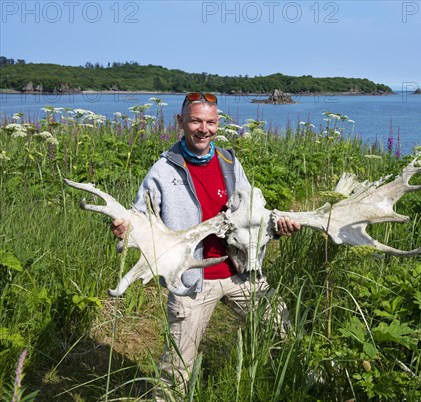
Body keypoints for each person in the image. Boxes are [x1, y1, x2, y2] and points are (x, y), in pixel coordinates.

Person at [111, 92, 300, 396]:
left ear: (218, 123)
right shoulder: (162, 171)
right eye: (196, 120)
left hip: (240, 272)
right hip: (191, 283)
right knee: (177, 369)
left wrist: (277, 229)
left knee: (282, 329)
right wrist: (126, 229)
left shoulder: (229, 162)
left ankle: (292, 383)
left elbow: (250, 213)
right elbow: (141, 218)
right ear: (180, 122)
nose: (204, 129)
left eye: (210, 122)